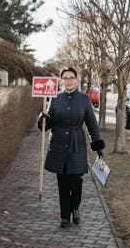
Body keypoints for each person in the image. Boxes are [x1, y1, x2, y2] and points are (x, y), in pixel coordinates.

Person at [38, 67, 105, 228]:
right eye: (65, 78)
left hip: (77, 145)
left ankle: (75, 207)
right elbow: (47, 124)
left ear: (76, 79)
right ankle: (64, 217)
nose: (68, 80)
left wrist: (97, 145)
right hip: (59, 144)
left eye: (71, 77)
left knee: (76, 182)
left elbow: (91, 124)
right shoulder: (55, 98)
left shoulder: (84, 99)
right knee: (62, 183)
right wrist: (43, 119)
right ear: (62, 80)